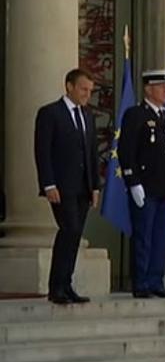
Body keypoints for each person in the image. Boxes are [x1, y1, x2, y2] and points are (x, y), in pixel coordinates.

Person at [34, 68, 100, 304]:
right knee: (69, 229)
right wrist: (48, 183)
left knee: (75, 235)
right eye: (83, 89)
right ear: (69, 86)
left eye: (90, 91)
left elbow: (92, 152)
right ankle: (56, 287)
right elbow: (43, 152)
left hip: (83, 187)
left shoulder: (88, 115)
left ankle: (66, 284)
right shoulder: (50, 113)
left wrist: (95, 186)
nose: (86, 95)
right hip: (61, 187)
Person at [118, 69, 165, 299]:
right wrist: (133, 182)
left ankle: (156, 280)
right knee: (143, 235)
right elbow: (127, 151)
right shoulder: (136, 115)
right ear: (147, 89)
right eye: (160, 87)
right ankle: (141, 281)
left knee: (160, 236)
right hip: (145, 186)